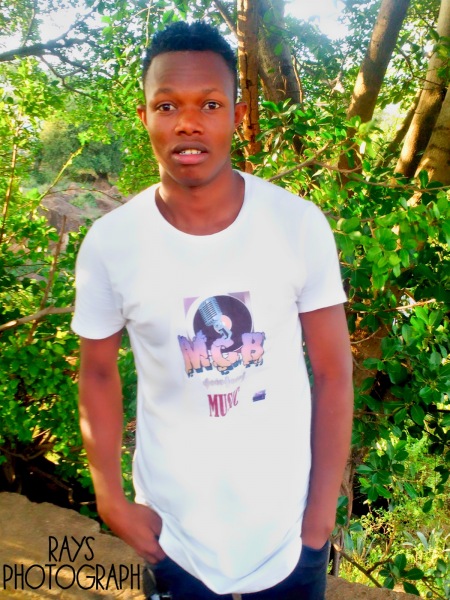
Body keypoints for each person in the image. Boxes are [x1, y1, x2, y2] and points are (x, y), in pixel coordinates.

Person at [72, 21, 353, 600]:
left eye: (210, 104)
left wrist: (320, 516)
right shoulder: (110, 244)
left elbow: (333, 370)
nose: (188, 123)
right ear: (145, 116)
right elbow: (97, 372)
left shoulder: (297, 225)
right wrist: (110, 499)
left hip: (288, 533)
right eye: (167, 105)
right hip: (175, 536)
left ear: (237, 115)